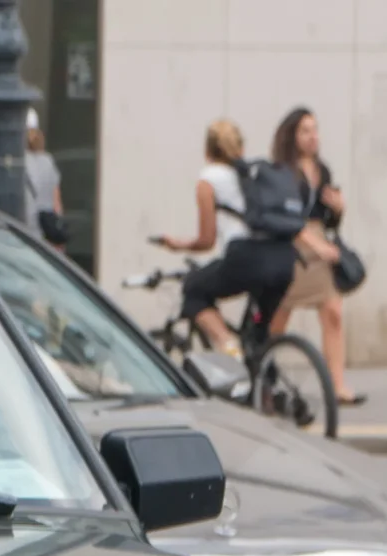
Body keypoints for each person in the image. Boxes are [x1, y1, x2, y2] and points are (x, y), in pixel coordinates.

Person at [152, 118, 293, 359]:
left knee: (194, 289)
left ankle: (230, 348)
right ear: (240, 148)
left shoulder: (208, 179)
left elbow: (207, 240)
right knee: (258, 339)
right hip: (283, 259)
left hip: (246, 258)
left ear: (207, 150)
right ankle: (264, 387)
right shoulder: (255, 174)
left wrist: (177, 245)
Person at [265, 106, 359, 403]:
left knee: (333, 313)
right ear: (292, 135)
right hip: (291, 246)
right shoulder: (280, 172)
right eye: (305, 130)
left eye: (315, 130)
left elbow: (328, 222)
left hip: (319, 245)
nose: (312, 137)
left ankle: (337, 384)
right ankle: (263, 375)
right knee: (277, 319)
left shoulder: (323, 170)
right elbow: (279, 215)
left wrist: (339, 210)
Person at [23, 113, 64, 245]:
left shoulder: (18, 162)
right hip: (45, 236)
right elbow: (57, 204)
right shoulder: (48, 161)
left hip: (24, 231)